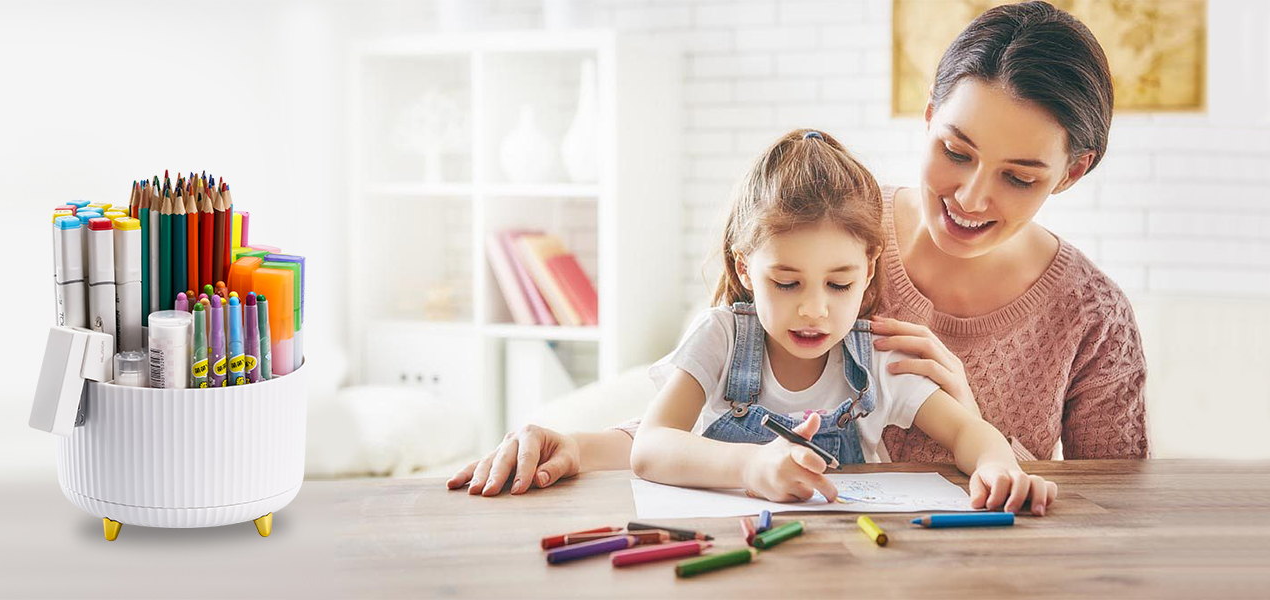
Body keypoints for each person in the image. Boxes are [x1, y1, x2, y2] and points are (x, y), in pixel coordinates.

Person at [448, 1, 1146, 499]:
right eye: (954, 151)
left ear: (1073, 171)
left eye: (1019, 177)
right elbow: (714, 408)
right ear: (929, 117)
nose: (969, 196)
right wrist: (577, 445)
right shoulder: (832, 228)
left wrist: (985, 432)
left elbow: (1119, 509)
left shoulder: (1094, 319)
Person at [629, 129, 1055, 514]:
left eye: (838, 285)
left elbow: (967, 432)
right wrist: (752, 466)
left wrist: (997, 465)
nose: (814, 309)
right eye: (786, 283)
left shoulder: (876, 360)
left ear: (868, 271)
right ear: (745, 269)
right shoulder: (720, 338)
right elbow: (651, 446)